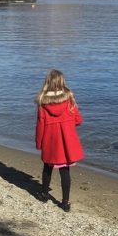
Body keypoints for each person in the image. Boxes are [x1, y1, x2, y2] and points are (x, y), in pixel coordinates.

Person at [34, 69, 84, 212]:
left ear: (48, 82)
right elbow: (78, 119)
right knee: (65, 170)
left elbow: (40, 125)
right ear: (62, 82)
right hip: (66, 141)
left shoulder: (43, 101)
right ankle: (65, 202)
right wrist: (67, 123)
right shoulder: (69, 98)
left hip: (50, 140)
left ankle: (44, 194)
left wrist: (39, 143)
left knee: (47, 167)